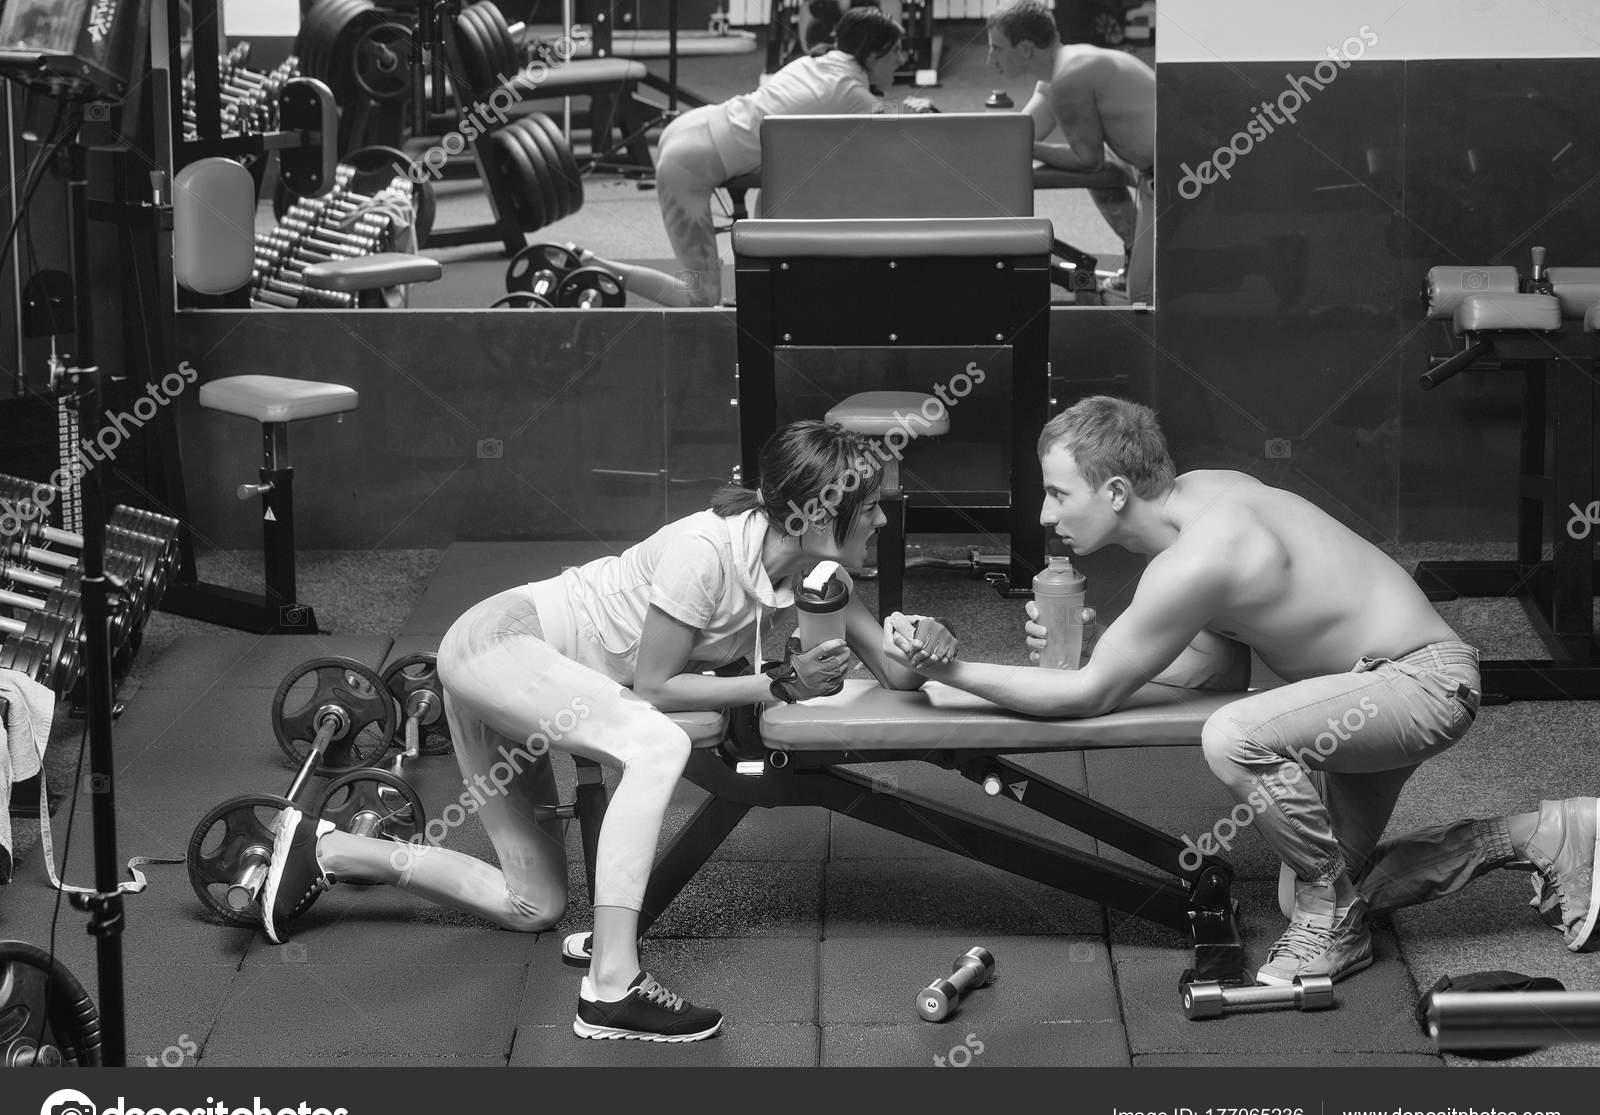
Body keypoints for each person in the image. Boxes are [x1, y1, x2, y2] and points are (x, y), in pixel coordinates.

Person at [258, 420, 959, 1041]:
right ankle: (612, 987)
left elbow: (897, 676)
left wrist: (929, 643)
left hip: (523, 688)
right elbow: (655, 685)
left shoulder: (818, 573)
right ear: (818, 514)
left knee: (534, 905)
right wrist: (782, 682)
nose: (882, 523)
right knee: (658, 741)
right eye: (870, 509)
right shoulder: (705, 552)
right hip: (497, 643)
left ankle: (330, 848)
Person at [882, 396, 1599, 985]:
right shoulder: (1204, 497)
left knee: (1233, 736)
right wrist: (1102, 656)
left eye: (1058, 493)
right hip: (1375, 687)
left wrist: (950, 670)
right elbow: (1214, 665)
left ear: (1116, 492)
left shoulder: (1198, 559)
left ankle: (1331, 922)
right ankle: (1541, 834)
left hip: (1422, 682)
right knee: (1321, 891)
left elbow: (1091, 696)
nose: (1045, 515)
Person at [576, 6, 935, 308]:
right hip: (688, 164)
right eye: (896, 52)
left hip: (695, 127)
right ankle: (593, 265)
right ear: (872, 55)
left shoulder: (818, 62)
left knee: (795, 168)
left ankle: (774, 283)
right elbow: (896, 120)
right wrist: (918, 109)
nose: (901, 60)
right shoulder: (848, 92)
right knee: (700, 296)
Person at [985, 0, 1155, 305]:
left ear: (1025, 49)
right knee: (1103, 167)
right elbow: (1018, 134)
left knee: (1141, 294)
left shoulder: (1069, 77)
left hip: (1179, 171)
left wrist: (1028, 148)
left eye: (996, 48)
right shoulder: (1058, 71)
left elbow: (1087, 161)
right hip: (1143, 160)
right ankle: (1135, 246)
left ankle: (1152, 261)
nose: (989, 59)